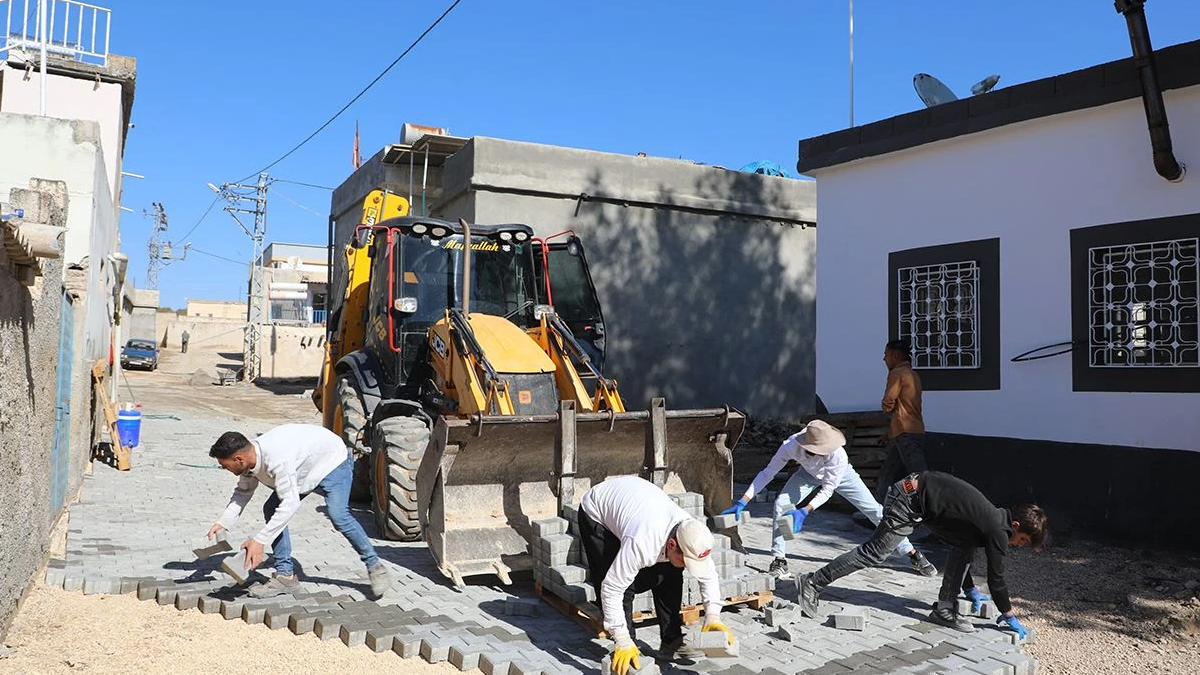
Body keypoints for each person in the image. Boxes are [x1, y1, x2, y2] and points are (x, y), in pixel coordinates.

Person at [795, 471, 1046, 638]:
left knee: (963, 548)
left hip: (919, 499)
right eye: (1022, 540)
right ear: (1015, 526)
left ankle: (944, 610)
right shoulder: (996, 530)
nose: (1019, 545)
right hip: (909, 498)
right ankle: (813, 582)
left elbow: (963, 547)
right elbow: (996, 578)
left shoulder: (992, 520)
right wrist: (1008, 613)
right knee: (875, 553)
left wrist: (969, 590)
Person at [721, 419, 937, 578]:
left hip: (842, 478)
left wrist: (805, 511)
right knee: (781, 504)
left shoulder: (837, 455)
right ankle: (779, 559)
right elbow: (767, 473)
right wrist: (744, 500)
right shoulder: (790, 446)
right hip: (806, 475)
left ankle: (911, 553)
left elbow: (828, 489)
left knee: (875, 511)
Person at [206, 424, 390, 600]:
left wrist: (260, 541)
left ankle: (375, 566)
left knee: (338, 515)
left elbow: (290, 503)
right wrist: (224, 522)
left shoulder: (276, 459)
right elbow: (243, 493)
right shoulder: (248, 462)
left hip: (331, 460)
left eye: (225, 465)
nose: (224, 469)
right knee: (271, 508)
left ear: (239, 459)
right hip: (302, 467)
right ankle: (286, 577)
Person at [578, 475, 734, 674]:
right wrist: (622, 639)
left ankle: (671, 641)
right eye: (686, 561)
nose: (687, 566)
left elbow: (709, 576)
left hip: (636, 502)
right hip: (597, 511)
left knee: (671, 573)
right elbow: (612, 587)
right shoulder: (642, 541)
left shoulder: (693, 535)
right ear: (671, 545)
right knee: (620, 581)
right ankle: (627, 646)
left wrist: (713, 616)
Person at [875, 339, 927, 503]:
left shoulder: (897, 374)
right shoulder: (913, 374)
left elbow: (889, 404)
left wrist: (885, 405)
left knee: (920, 476)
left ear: (895, 356)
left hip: (905, 433)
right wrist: (889, 434)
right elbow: (905, 409)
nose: (884, 359)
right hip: (910, 431)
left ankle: (932, 510)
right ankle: (878, 511)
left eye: (886, 355)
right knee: (888, 472)